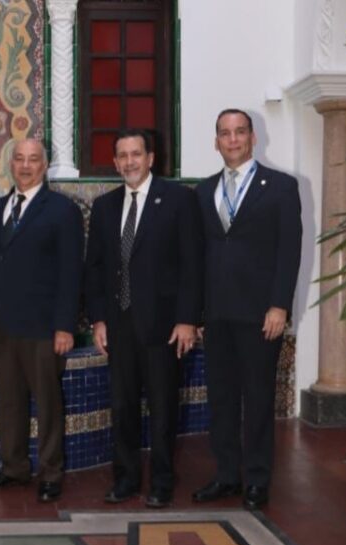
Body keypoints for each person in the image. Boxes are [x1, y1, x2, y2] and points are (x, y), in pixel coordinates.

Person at [85, 130, 202, 508]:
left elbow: (192, 266)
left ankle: (162, 481)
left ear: (151, 158)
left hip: (164, 327)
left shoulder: (179, 200)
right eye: (123, 156)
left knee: (164, 409)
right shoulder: (104, 207)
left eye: (137, 154)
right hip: (118, 327)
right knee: (122, 408)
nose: (130, 162)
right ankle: (126, 479)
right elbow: (96, 270)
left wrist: (187, 320)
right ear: (115, 161)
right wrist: (98, 320)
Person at [192, 109, 302, 510]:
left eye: (240, 132)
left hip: (261, 315)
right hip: (217, 315)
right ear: (216, 141)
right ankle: (225, 476)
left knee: (257, 400)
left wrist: (280, 306)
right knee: (220, 400)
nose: (233, 139)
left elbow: (289, 251)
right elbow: (198, 256)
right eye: (225, 133)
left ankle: (256, 479)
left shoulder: (281, 187)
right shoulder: (203, 192)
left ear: (253, 138)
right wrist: (197, 313)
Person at [0, 138, 84, 503]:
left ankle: (51, 473)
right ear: (11, 163)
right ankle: (14, 467)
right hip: (3, 327)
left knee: (49, 404)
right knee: (9, 403)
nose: (25, 165)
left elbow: (71, 273)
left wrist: (65, 325)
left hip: (44, 328)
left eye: (33, 159)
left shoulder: (63, 210)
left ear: (45, 165)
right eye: (18, 158)